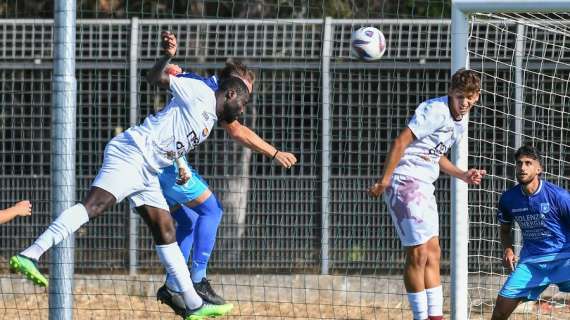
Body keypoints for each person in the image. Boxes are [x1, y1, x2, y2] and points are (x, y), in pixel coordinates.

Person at [7, 30, 268, 319]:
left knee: (166, 229)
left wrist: (180, 167)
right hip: (131, 154)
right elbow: (154, 78)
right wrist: (166, 57)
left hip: (149, 170)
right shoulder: (199, 92)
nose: (242, 110)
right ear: (231, 94)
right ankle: (30, 254)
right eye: (242, 104)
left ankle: (193, 304)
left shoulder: (210, 117)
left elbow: (174, 137)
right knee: (93, 206)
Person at [155, 61, 297, 315]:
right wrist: (274, 152)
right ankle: (197, 280)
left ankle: (173, 283)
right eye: (244, 95)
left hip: (162, 161)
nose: (243, 104)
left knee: (187, 221)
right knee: (213, 210)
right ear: (231, 87)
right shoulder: (209, 92)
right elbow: (238, 131)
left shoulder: (206, 88)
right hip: (165, 161)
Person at [368, 69, 486, 320]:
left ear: (476, 97)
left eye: (468, 97)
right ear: (450, 94)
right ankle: (421, 317)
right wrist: (384, 180)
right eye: (458, 97)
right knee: (418, 253)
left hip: (424, 184)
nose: (463, 103)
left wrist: (462, 174)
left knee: (433, 251)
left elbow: (433, 154)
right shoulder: (435, 110)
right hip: (404, 181)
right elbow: (402, 142)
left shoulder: (461, 121)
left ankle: (435, 317)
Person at [491, 145, 570, 320]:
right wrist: (508, 249)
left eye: (528, 163)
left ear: (539, 168)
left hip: (563, 258)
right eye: (519, 164)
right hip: (532, 263)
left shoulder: (559, 196)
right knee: (500, 311)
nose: (523, 168)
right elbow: (505, 230)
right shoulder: (508, 199)